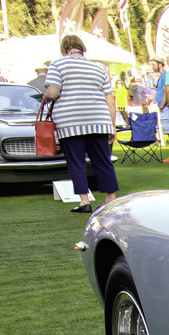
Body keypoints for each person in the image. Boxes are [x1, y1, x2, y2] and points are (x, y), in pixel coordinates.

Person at [42, 34, 119, 214]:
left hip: (70, 121)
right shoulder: (98, 68)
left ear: (64, 49)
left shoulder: (57, 64)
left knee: (76, 162)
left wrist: (46, 96)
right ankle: (110, 198)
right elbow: (110, 100)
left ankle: (84, 201)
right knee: (103, 161)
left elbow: (52, 93)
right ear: (82, 48)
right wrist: (112, 126)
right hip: (98, 120)